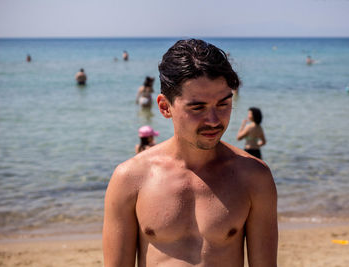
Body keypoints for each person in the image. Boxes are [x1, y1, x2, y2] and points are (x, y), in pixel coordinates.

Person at [103, 39, 278, 267]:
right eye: (198, 107)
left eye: (223, 104)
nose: (214, 120)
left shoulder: (254, 177)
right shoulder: (130, 178)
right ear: (165, 107)